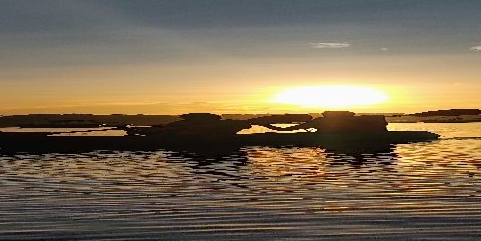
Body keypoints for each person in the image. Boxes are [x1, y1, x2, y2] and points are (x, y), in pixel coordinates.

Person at [127, 112, 255, 138]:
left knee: (162, 131)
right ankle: (136, 131)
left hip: (183, 131)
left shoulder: (225, 125)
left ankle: (136, 131)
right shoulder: (213, 125)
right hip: (183, 132)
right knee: (163, 131)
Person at [263, 110, 388, 134]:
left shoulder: (319, 121)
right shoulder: (320, 121)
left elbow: (288, 129)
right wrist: (270, 126)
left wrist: (269, 126)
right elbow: (287, 130)